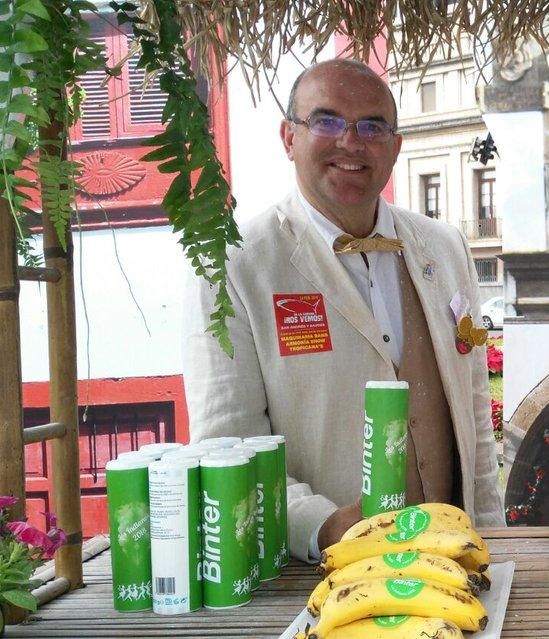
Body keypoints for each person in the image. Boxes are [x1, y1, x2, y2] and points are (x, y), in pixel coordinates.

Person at [183, 59, 504, 561]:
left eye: (373, 126)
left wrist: (492, 535)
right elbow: (227, 445)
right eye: (326, 121)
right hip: (318, 578)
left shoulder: (444, 247)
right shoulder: (234, 263)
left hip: (455, 562)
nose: (351, 143)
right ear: (289, 138)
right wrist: (322, 526)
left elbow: (475, 412)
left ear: (395, 147)